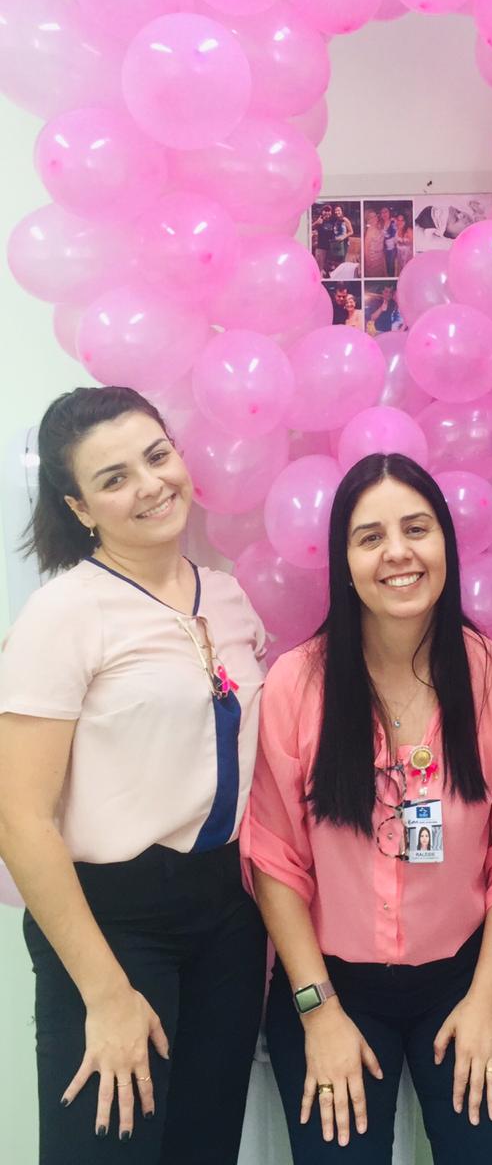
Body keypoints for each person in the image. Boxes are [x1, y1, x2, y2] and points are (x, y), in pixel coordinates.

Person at [242, 452, 492, 1164]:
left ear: (445, 542)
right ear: (344, 563)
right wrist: (318, 1013)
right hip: (329, 987)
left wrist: (488, 997)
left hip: (468, 980)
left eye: (416, 529)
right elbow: (274, 856)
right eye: (370, 537)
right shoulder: (296, 683)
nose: (398, 553)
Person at [0, 387, 268, 1165]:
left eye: (157, 457)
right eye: (114, 478)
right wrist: (106, 991)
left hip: (227, 914)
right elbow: (18, 817)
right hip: (113, 924)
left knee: (202, 1148)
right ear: (79, 508)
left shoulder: (226, 595)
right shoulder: (64, 614)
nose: (150, 485)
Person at [313, 203, 336, 277]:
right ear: (322, 212)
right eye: (325, 210)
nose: (327, 212)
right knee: (319, 269)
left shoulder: (333, 221)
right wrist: (316, 223)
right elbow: (308, 229)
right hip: (321, 248)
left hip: (331, 249)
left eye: (329, 211)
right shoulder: (319, 220)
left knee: (330, 269)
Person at [363, 209, 386, 279]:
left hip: (380, 257)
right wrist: (368, 263)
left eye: (375, 216)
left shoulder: (378, 227)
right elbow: (366, 249)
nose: (374, 218)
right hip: (372, 259)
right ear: (368, 220)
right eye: (371, 217)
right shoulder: (370, 231)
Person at [379, 207, 398, 278]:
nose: (384, 214)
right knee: (385, 266)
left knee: (391, 265)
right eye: (382, 212)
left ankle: (391, 279)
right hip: (382, 248)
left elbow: (395, 234)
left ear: (389, 213)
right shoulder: (380, 223)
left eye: (386, 211)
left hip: (392, 248)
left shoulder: (393, 222)